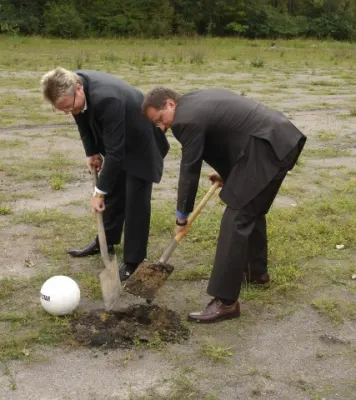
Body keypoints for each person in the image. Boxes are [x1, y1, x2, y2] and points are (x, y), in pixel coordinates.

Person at [142, 87, 306, 323]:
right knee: (251, 208)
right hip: (278, 138)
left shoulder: (184, 120)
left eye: (160, 119)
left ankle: (226, 302)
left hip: (267, 147)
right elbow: (228, 133)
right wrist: (229, 175)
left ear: (169, 104)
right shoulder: (194, 101)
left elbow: (190, 169)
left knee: (236, 216)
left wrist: (181, 216)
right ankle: (256, 272)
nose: (162, 127)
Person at [40, 68, 169, 281]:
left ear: (79, 89)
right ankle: (106, 240)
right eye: (61, 110)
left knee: (136, 201)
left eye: (68, 106)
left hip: (141, 142)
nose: (67, 111)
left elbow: (116, 153)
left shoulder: (107, 98)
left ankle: (133, 260)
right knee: (114, 190)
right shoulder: (74, 84)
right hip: (116, 137)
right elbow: (79, 116)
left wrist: (98, 193)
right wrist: (91, 151)